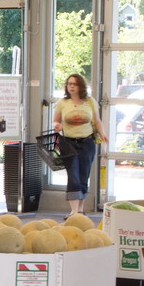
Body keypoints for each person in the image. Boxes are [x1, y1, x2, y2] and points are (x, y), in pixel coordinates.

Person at [53, 74, 108, 218]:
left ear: (81, 86)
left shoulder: (90, 101)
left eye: (75, 84)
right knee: (73, 175)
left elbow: (97, 121)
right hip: (68, 143)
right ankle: (74, 211)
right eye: (69, 83)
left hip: (87, 142)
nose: (71, 86)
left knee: (84, 175)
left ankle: (80, 209)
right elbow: (55, 121)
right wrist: (57, 125)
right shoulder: (62, 102)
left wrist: (103, 134)